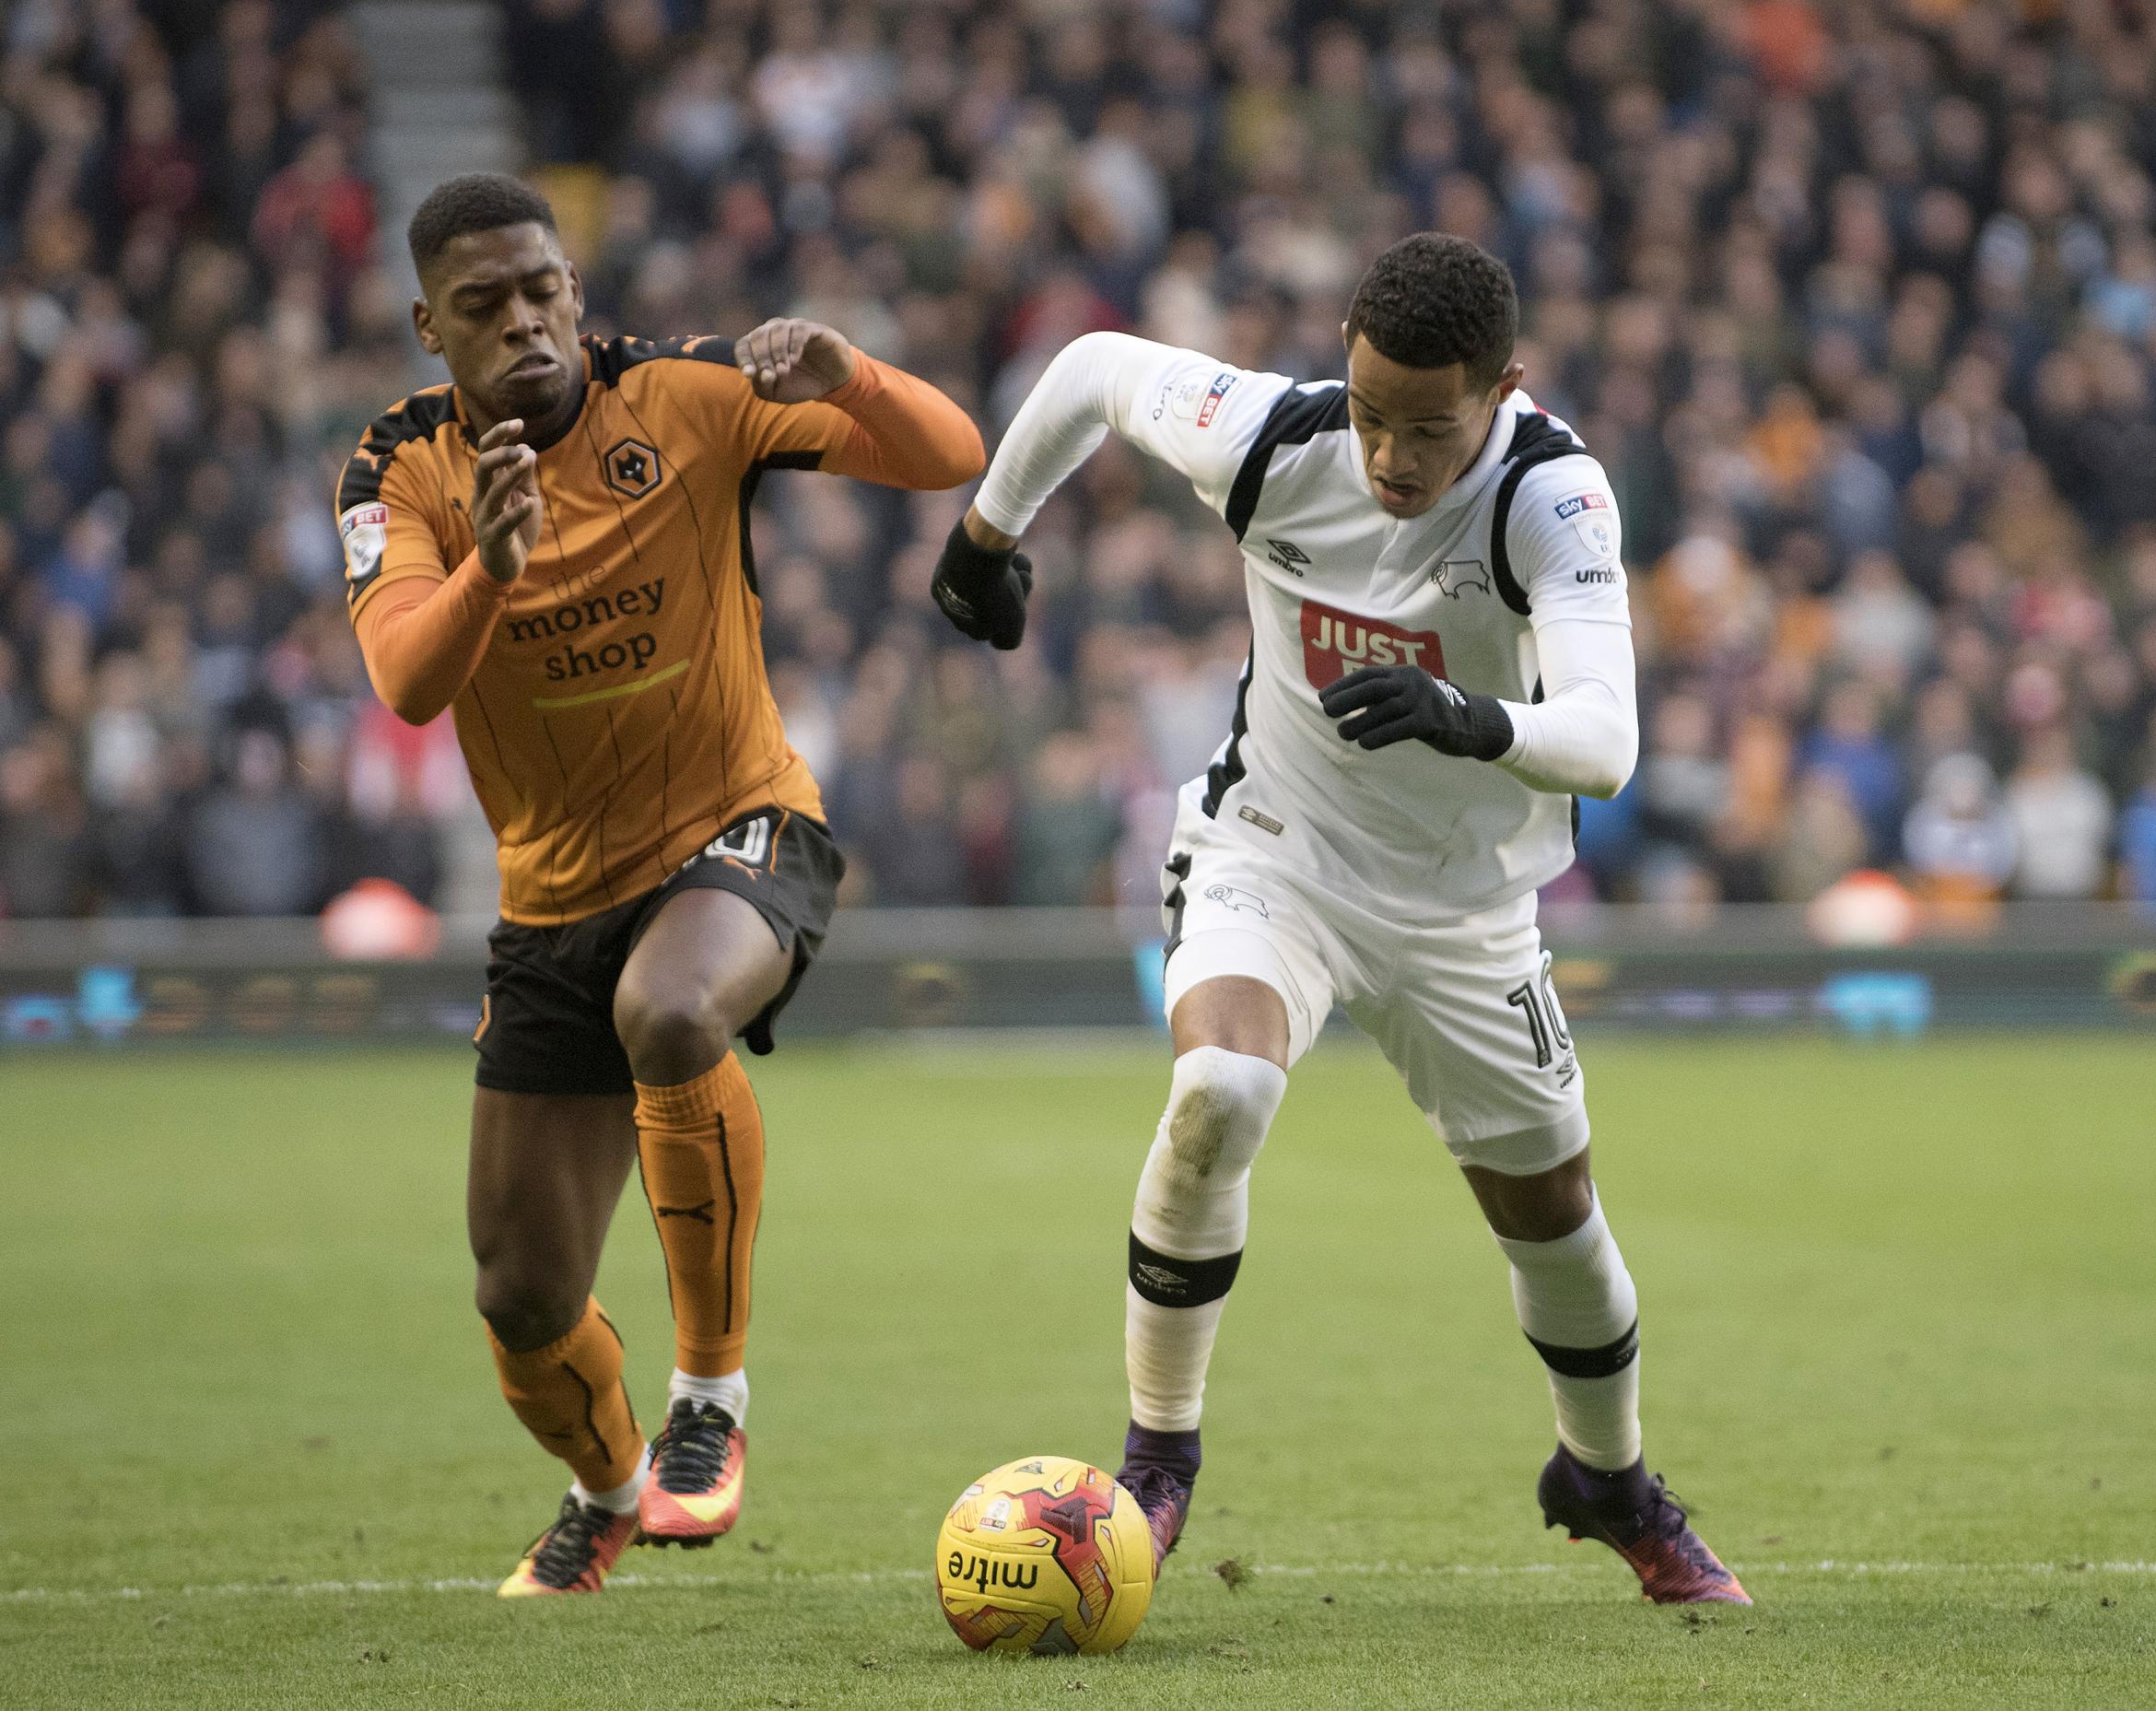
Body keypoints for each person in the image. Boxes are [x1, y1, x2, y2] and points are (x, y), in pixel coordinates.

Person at [933, 233, 1746, 1604]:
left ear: (1505, 392)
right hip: (1278, 853)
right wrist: (985, 533)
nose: (1388, 455)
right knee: (1220, 1093)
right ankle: (1158, 1458)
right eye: (1372, 412)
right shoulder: (1276, 437)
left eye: (1428, 427)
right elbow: (1089, 372)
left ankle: (1605, 1479)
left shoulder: (1553, 500)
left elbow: (1607, 740)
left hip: (1466, 912)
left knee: (1555, 1222)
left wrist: (1472, 718)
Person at [341, 173, 982, 1595]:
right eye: (482, 305)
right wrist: (490, 571)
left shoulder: (684, 394)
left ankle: (711, 1399)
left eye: (542, 287)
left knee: (676, 1013)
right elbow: (404, 681)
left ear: (574, 283)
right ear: (427, 328)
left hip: (739, 830)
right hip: (551, 904)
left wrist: (851, 373)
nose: (524, 321)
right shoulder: (399, 470)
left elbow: (948, 455)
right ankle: (611, 1486)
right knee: (519, 1297)